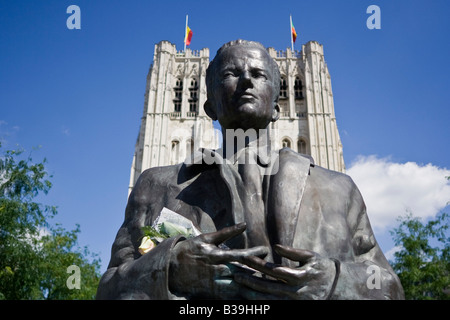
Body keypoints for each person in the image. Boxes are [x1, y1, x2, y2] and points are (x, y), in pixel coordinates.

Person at [96, 40, 404, 300]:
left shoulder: (338, 188)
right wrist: (169, 268)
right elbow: (109, 288)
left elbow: (389, 286)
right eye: (231, 74)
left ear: (277, 106)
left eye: (258, 74)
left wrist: (336, 281)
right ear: (209, 107)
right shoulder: (158, 185)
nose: (246, 80)